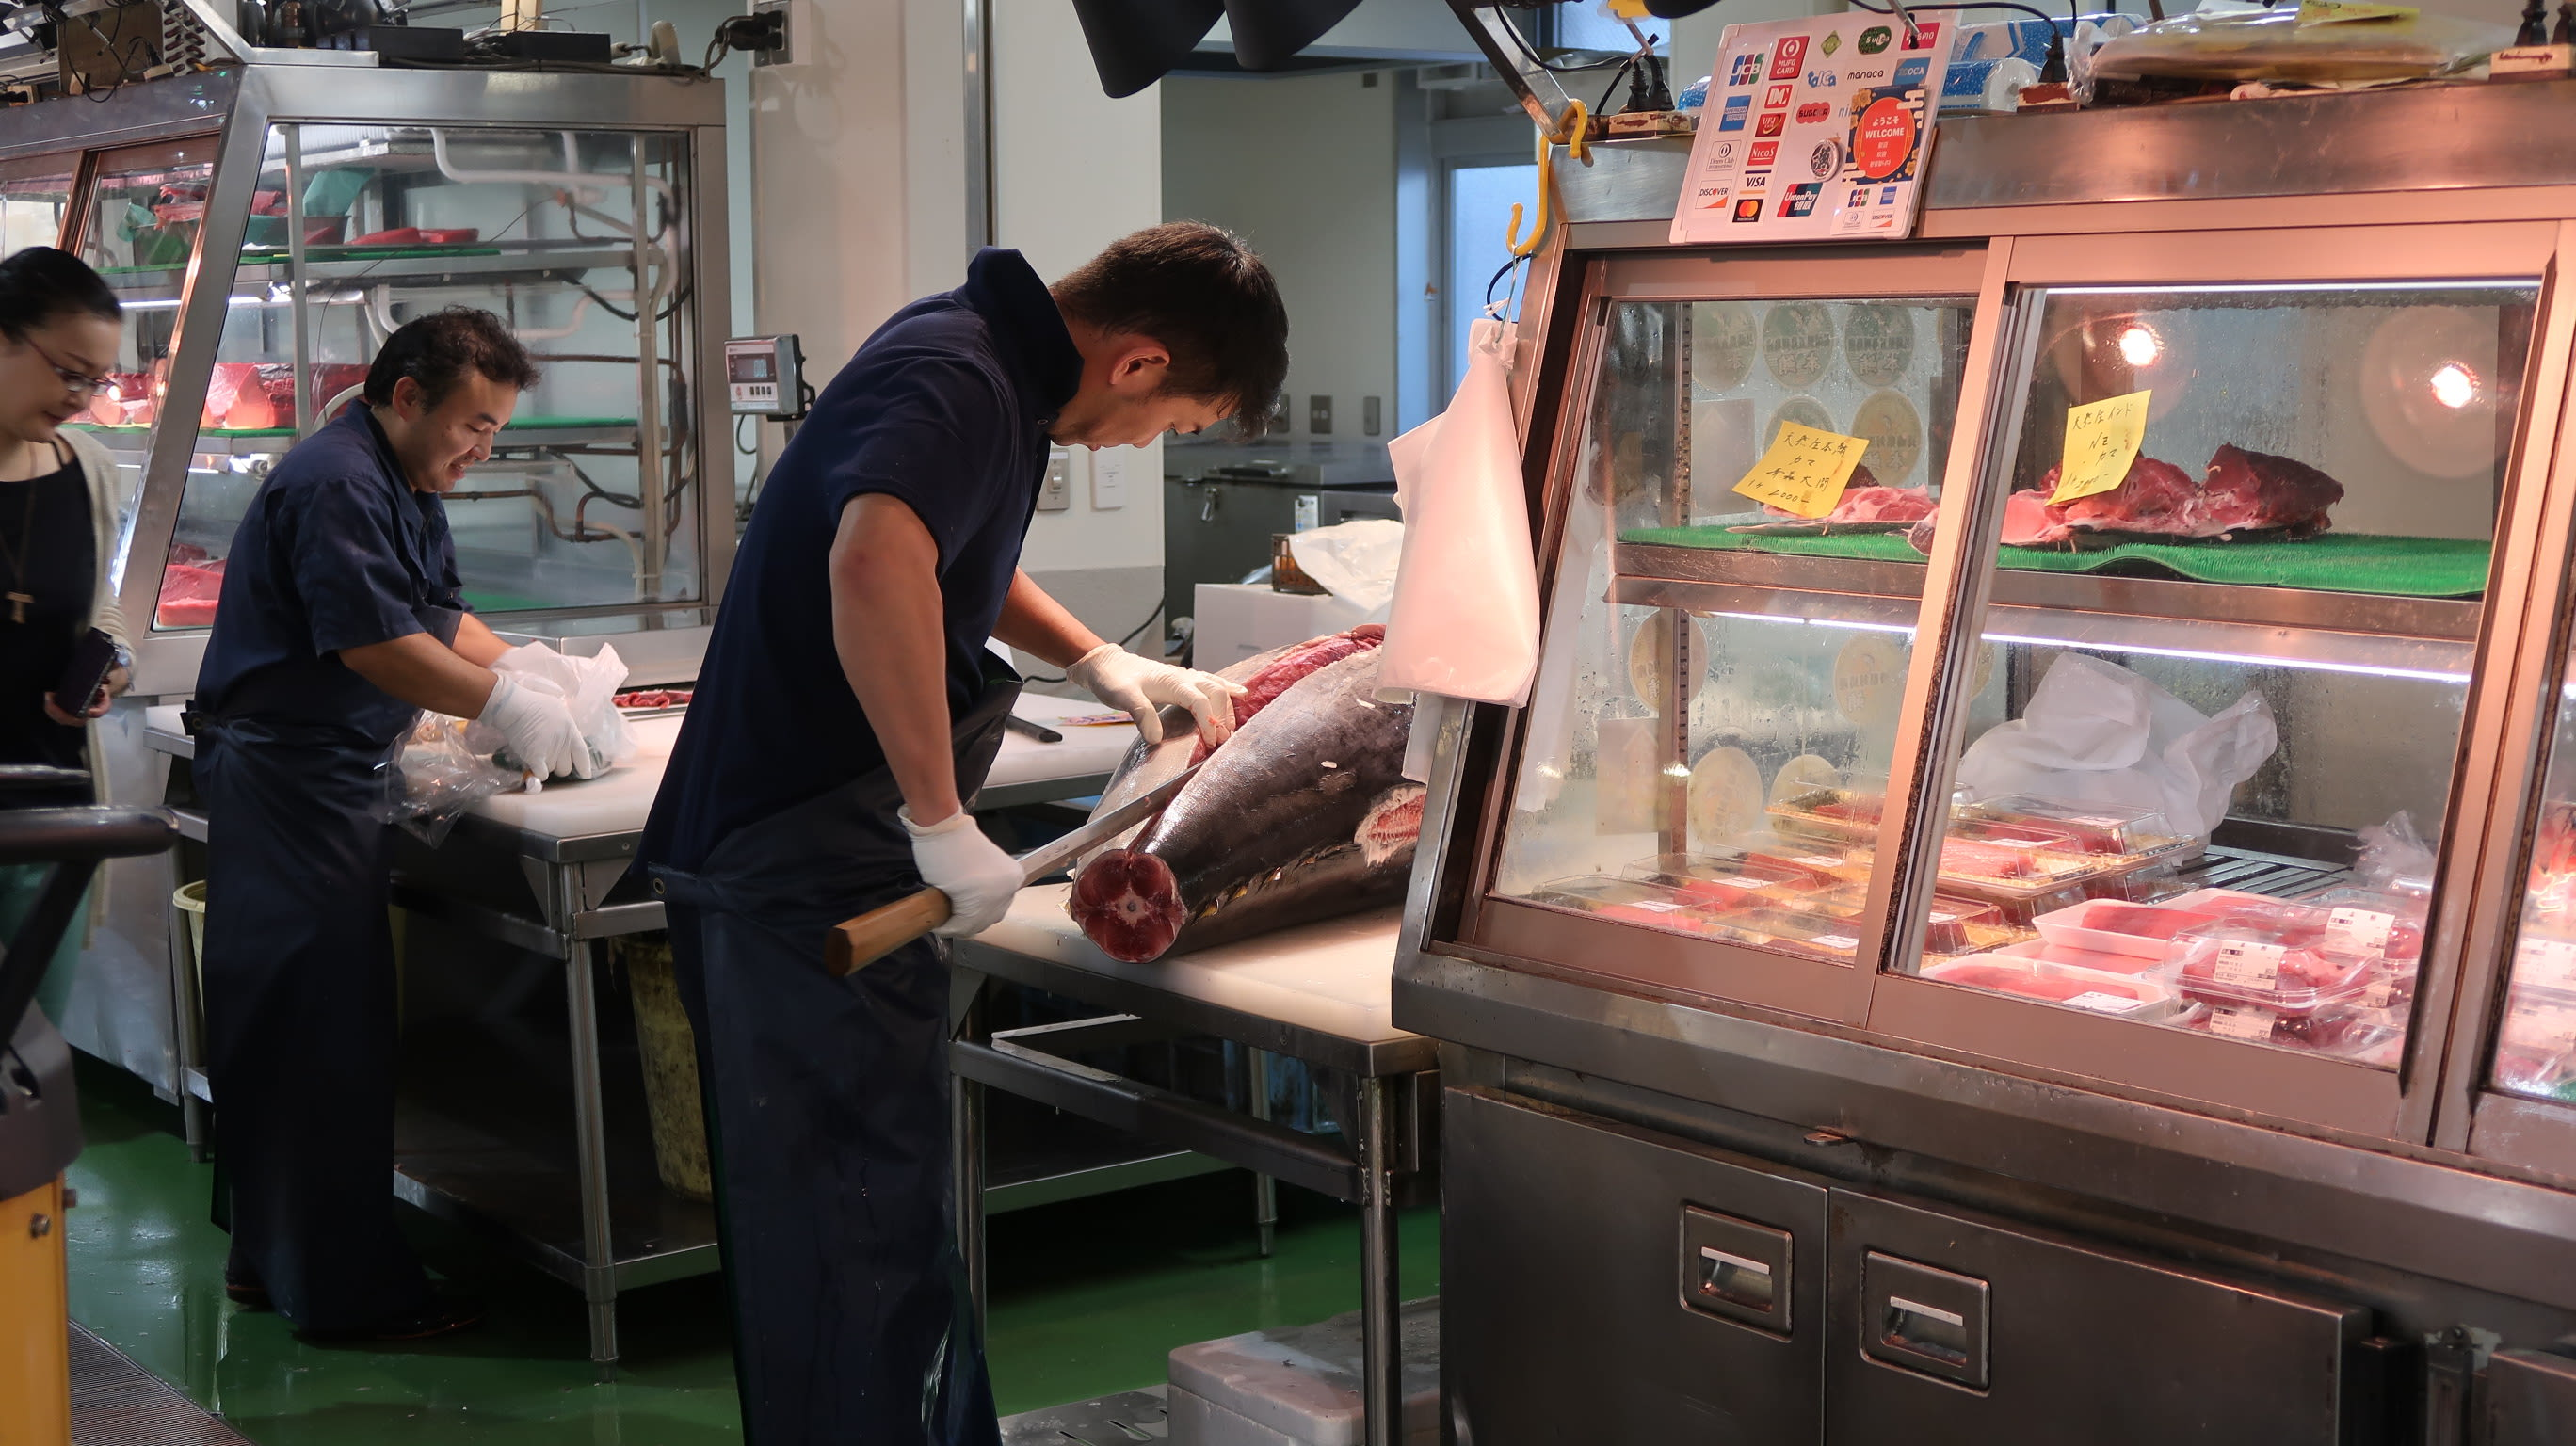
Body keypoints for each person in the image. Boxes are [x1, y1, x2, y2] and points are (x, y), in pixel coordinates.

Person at [637, 223, 1289, 1444]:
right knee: (849, 1235)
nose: (1150, 444)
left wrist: (1097, 656)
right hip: (801, 866)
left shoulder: (989, 364)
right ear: (1139, 363)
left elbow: (940, 558)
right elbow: (875, 564)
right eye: (1176, 425)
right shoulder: (959, 374)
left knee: (880, 1224)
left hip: (819, 852)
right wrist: (940, 822)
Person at [192, 307, 593, 1340]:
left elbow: (434, 613)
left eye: (498, 431)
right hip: (289, 784)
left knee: (294, 1028)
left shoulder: (404, 478)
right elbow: (376, 643)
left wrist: (533, 671)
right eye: (473, 425)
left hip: (323, 775)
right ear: (406, 396)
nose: (482, 448)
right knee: (318, 1037)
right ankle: (347, 1297)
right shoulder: (336, 479)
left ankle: (268, 1260)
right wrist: (499, 708)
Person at [0, 247, 135, 1022]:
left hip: (48, 826)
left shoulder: (84, 467)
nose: (82, 399)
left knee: (26, 1076)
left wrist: (111, 661)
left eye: (97, 380)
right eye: (68, 372)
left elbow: (99, 606)